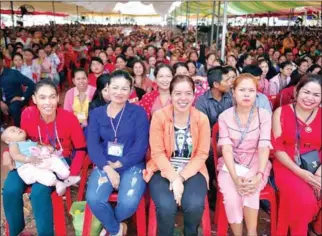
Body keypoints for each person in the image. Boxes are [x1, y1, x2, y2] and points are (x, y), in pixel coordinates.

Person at [2, 79, 86, 236]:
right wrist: (7, 152)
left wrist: (72, 173)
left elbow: (81, 149)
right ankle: (16, 231)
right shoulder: (27, 114)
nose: (48, 102)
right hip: (29, 158)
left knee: (39, 193)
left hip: (58, 161)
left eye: (52, 97)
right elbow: (18, 140)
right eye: (42, 97)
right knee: (10, 190)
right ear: (34, 99)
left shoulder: (69, 118)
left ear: (57, 98)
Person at [144, 75, 211, 236]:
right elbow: (157, 153)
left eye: (188, 93)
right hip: (162, 168)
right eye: (178, 93)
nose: (183, 98)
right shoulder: (160, 116)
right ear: (171, 95)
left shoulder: (201, 119)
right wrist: (174, 178)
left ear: (194, 96)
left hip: (193, 168)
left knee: (194, 205)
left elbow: (202, 154)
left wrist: (181, 178)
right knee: (166, 207)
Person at [86, 70, 149, 236]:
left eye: (124, 88)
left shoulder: (139, 113)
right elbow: (92, 146)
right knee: (94, 199)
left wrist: (119, 164)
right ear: (107, 88)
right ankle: (116, 229)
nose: (119, 93)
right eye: (115, 87)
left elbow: (141, 145)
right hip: (104, 164)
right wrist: (108, 168)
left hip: (131, 164)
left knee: (128, 202)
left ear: (130, 90)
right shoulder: (96, 114)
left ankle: (109, 227)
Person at [217, 73, 272, 236]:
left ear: (257, 93)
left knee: (250, 188)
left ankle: (252, 233)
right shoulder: (224, 116)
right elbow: (226, 148)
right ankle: (238, 233)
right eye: (242, 90)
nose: (247, 94)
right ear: (233, 92)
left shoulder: (264, 115)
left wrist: (259, 175)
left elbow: (264, 146)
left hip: (257, 161)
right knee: (232, 197)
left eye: (251, 90)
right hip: (231, 163)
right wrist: (234, 176)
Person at [272, 74, 321, 235]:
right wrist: (301, 173)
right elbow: (277, 148)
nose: (310, 98)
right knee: (305, 202)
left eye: (316, 95)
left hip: (318, 165)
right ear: (297, 91)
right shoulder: (281, 112)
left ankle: (315, 227)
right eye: (306, 92)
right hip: (288, 165)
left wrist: (319, 174)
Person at [1, 126, 80, 196]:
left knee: (55, 160)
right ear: (8, 140)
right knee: (41, 174)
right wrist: (28, 159)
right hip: (26, 166)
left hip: (38, 160)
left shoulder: (30, 142)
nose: (17, 129)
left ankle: (66, 176)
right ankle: (57, 184)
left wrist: (47, 149)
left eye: (17, 128)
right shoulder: (14, 144)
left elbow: (40, 147)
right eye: (13, 131)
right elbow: (15, 155)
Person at [0, 52, 35, 127]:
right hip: (2, 101)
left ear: (2, 61)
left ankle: (18, 131)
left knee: (14, 107)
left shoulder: (13, 73)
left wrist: (23, 97)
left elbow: (32, 85)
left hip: (15, 100)